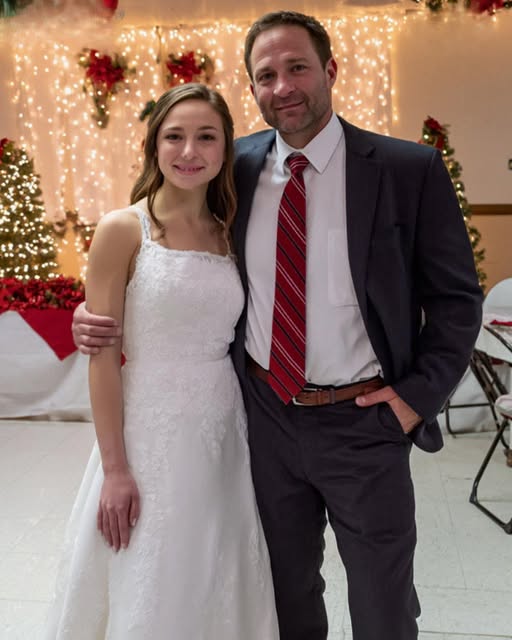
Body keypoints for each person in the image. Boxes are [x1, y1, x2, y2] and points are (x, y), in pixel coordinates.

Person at [72, 11, 484, 640]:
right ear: (253, 88)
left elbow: (456, 300)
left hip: (366, 421)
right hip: (262, 419)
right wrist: (98, 313)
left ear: (330, 70)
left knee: (383, 604)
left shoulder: (408, 170)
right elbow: (172, 262)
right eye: (266, 75)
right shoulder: (231, 167)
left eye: (298, 68)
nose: (283, 86)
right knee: (284, 596)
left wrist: (413, 401)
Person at [44, 84, 279, 640]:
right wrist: (115, 470)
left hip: (223, 432)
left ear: (226, 148)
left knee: (213, 570)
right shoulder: (123, 229)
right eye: (174, 136)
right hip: (148, 433)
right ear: (154, 146)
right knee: (150, 574)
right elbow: (103, 357)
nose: (189, 151)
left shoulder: (230, 230)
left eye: (206, 137)